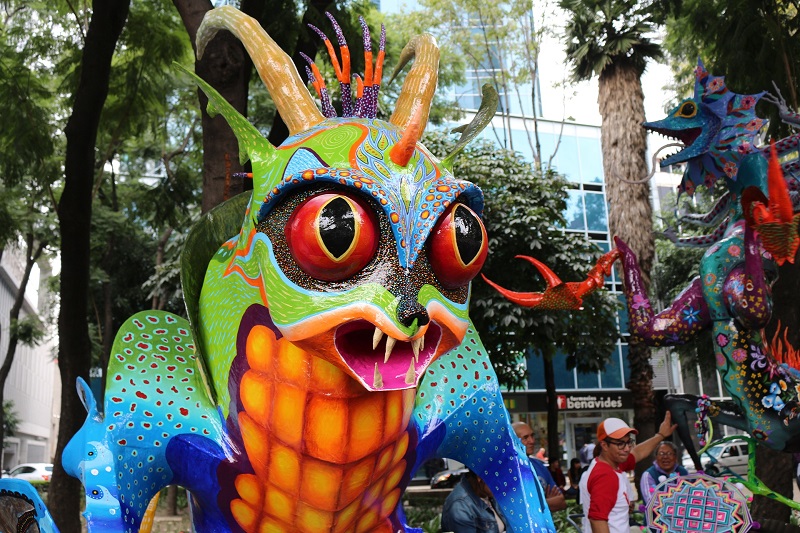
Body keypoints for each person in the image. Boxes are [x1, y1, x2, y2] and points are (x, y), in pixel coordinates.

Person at [579, 412, 677, 533]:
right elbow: (597, 519)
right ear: (604, 445)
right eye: (620, 444)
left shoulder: (612, 464)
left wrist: (661, 435)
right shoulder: (605, 476)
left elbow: (637, 453)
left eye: (628, 442)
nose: (626, 448)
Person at [512, 422, 567, 512]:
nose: (532, 441)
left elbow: (561, 502)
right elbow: (519, 509)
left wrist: (535, 505)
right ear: (513, 441)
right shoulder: (507, 470)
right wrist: (546, 501)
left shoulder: (539, 466)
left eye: (532, 436)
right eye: (525, 438)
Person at [441, 470, 509, 533]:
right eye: (497, 482)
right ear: (480, 478)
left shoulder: (488, 494)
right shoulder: (460, 507)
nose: (501, 487)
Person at [640, 440, 688, 506]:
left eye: (669, 453)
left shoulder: (683, 472)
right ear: (656, 457)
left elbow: (690, 494)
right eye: (661, 454)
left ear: (675, 457)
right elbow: (651, 502)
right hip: (657, 516)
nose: (665, 457)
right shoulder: (648, 475)